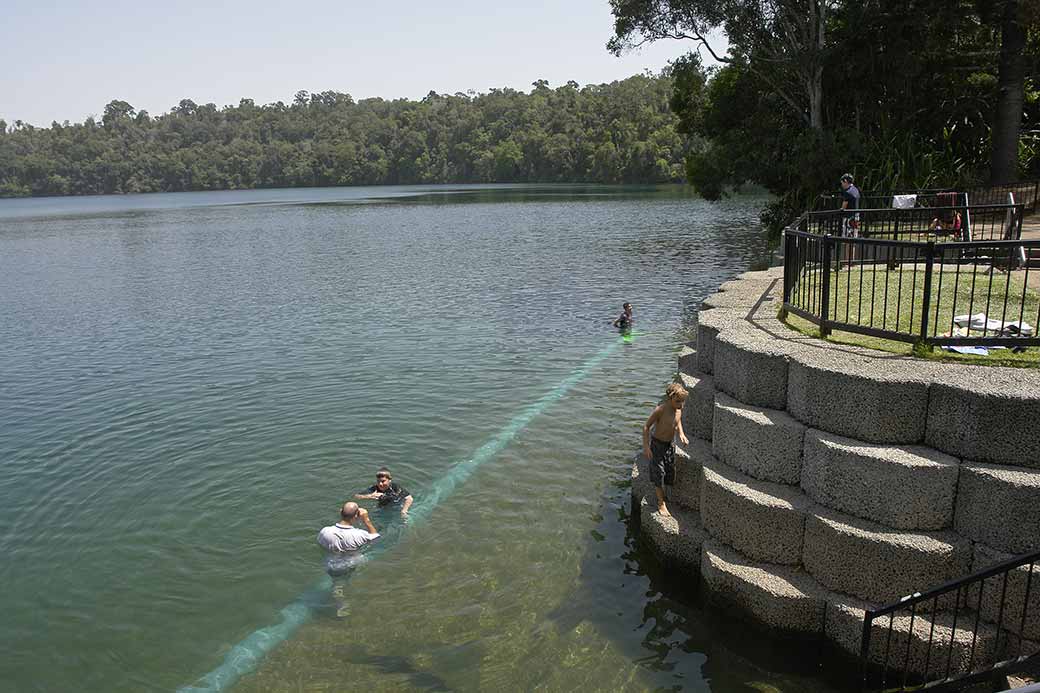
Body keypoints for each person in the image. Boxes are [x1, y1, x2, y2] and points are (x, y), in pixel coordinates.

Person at [317, 501, 380, 616]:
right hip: (352, 562)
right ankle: (342, 604)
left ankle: (341, 601)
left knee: (338, 583)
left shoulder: (325, 531)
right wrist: (366, 520)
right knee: (345, 582)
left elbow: (320, 545)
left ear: (340, 512)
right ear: (356, 516)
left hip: (331, 563)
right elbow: (376, 538)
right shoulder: (360, 534)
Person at [642, 382, 689, 517]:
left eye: (682, 401)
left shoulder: (678, 409)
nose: (681, 404)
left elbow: (678, 421)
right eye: (678, 401)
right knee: (659, 473)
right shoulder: (661, 410)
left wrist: (681, 434)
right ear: (670, 398)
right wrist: (646, 446)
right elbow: (646, 427)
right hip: (657, 445)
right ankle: (660, 503)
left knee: (670, 471)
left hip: (670, 445)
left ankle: (666, 494)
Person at [839, 173, 861, 268]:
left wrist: (839, 212)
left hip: (848, 219)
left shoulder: (847, 192)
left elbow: (843, 207)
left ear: (845, 181)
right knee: (853, 239)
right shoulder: (856, 190)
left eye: (842, 183)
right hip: (856, 217)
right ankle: (852, 261)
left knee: (847, 240)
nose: (842, 185)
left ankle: (846, 262)